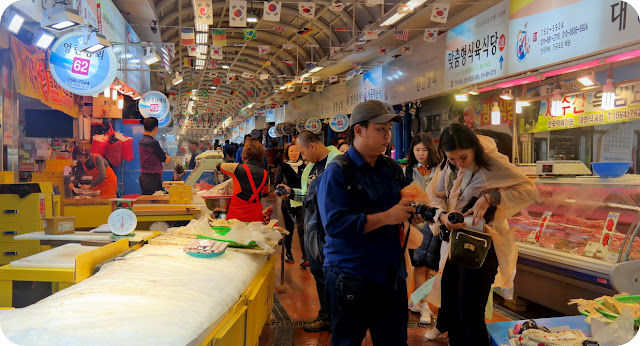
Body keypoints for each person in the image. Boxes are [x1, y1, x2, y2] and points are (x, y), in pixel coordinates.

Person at [316, 100, 420, 345]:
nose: (387, 136)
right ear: (359, 130)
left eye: (389, 129)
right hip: (351, 277)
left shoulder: (392, 168)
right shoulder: (338, 171)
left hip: (391, 275)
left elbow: (402, 209)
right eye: (380, 129)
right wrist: (388, 216)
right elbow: (336, 226)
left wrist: (413, 214)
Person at [423, 123, 536, 344]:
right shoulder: (449, 166)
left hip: (482, 245)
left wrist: (490, 197)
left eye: (463, 157)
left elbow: (528, 190)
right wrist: (443, 215)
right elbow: (434, 193)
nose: (458, 163)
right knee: (452, 305)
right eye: (452, 158)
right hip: (455, 244)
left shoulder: (493, 163)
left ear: (474, 147)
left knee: (471, 312)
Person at [277, 130, 342, 333]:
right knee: (319, 273)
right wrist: (292, 192)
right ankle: (326, 317)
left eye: (303, 152)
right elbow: (309, 195)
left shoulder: (338, 163)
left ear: (312, 146)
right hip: (313, 225)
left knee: (334, 275)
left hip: (331, 229)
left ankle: (337, 319)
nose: (302, 157)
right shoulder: (311, 168)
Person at [403, 133, 441, 325]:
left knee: (427, 268)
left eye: (424, 149)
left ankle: (417, 300)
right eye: (417, 149)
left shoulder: (440, 170)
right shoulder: (407, 172)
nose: (420, 153)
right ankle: (423, 304)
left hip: (436, 224)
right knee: (419, 265)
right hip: (416, 225)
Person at [217, 139, 269, 222]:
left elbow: (219, 166)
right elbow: (265, 193)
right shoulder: (266, 174)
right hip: (255, 217)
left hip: (237, 216)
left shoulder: (237, 168)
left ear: (244, 154)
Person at [274, 144, 307, 266]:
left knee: (302, 229)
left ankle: (305, 256)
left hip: (301, 201)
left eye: (296, 150)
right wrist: (281, 192)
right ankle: (288, 253)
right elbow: (276, 184)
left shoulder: (305, 167)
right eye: (291, 151)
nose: (294, 153)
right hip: (287, 203)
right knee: (289, 229)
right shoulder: (283, 166)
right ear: (287, 153)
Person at [139, 117, 170, 195]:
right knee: (154, 203)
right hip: (153, 178)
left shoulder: (141, 141)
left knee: (147, 201)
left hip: (144, 177)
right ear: (156, 128)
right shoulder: (153, 143)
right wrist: (167, 157)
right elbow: (164, 159)